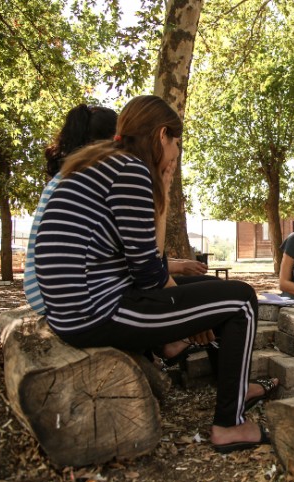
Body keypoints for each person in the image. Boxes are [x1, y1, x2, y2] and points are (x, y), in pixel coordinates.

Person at [34, 95, 271, 453]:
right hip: (95, 311)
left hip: (76, 308)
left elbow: (149, 262)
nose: (176, 154)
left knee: (212, 289)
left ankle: (226, 383)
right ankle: (230, 424)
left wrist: (190, 311)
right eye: (177, 144)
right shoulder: (130, 171)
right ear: (163, 135)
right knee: (241, 301)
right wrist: (189, 317)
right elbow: (149, 273)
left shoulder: (103, 163)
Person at [24, 104, 209, 315]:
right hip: (70, 298)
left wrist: (176, 266)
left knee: (203, 289)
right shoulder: (115, 175)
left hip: (48, 290)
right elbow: (143, 266)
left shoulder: (75, 175)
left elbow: (132, 254)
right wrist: (185, 309)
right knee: (222, 298)